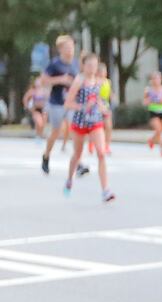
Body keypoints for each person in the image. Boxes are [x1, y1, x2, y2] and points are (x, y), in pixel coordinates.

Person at [61, 52, 114, 203]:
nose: (92, 68)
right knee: (77, 154)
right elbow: (68, 103)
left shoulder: (99, 81)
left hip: (95, 121)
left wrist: (103, 108)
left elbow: (100, 100)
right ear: (83, 66)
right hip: (80, 121)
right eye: (89, 65)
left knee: (101, 153)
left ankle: (105, 190)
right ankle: (69, 180)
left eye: (94, 65)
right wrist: (83, 106)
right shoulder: (79, 81)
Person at [40, 34, 79, 175]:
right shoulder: (55, 64)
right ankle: (46, 155)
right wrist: (60, 79)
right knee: (56, 132)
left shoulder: (75, 63)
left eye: (72, 47)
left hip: (71, 103)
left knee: (75, 129)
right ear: (61, 49)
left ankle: (78, 163)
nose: (70, 50)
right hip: (56, 103)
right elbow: (43, 81)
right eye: (67, 47)